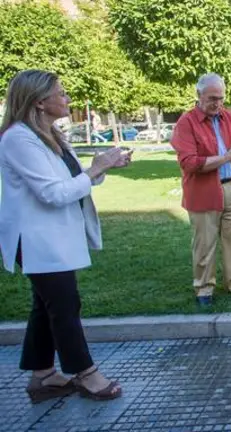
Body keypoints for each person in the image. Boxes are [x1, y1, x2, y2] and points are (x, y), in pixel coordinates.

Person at [0, 69, 132, 403]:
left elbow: (73, 180)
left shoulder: (51, 135)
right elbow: (53, 193)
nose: (67, 98)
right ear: (39, 101)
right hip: (35, 239)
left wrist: (104, 166)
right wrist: (96, 168)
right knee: (64, 304)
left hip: (53, 237)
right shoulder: (18, 139)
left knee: (45, 306)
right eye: (61, 93)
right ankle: (86, 374)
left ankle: (43, 375)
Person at [171, 73, 231, 307]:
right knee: (205, 243)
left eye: (220, 98)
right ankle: (204, 288)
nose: (217, 103)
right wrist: (226, 156)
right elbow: (189, 163)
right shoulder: (186, 123)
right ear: (198, 95)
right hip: (203, 191)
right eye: (212, 98)